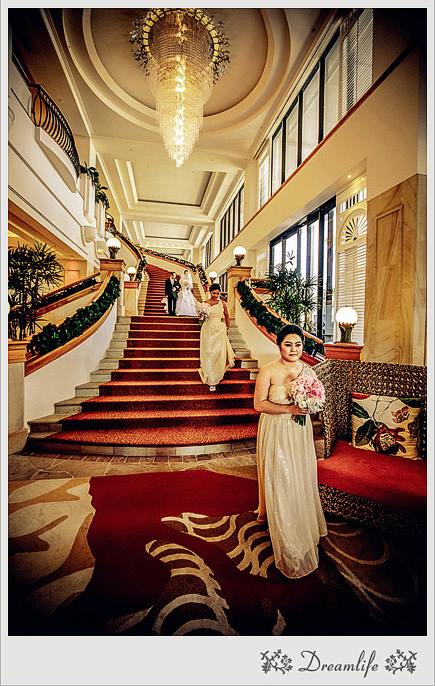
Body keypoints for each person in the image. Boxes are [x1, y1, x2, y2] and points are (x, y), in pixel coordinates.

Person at [253, 323, 327, 579]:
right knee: (281, 477)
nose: (294, 349)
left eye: (298, 344)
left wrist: (310, 406)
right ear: (279, 345)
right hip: (276, 428)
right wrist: (290, 409)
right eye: (288, 344)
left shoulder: (308, 370)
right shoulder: (268, 371)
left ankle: (302, 516)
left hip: (300, 430)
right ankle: (285, 532)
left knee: (299, 474)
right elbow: (258, 404)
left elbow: (316, 401)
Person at [198, 283, 234, 392]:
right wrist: (201, 314)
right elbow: (200, 320)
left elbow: (227, 316)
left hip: (219, 330)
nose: (216, 295)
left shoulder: (222, 303)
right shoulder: (204, 304)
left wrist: (227, 327)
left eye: (218, 293)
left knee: (218, 352)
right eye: (214, 293)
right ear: (210, 292)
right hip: (208, 330)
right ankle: (210, 377)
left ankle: (216, 375)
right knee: (209, 352)